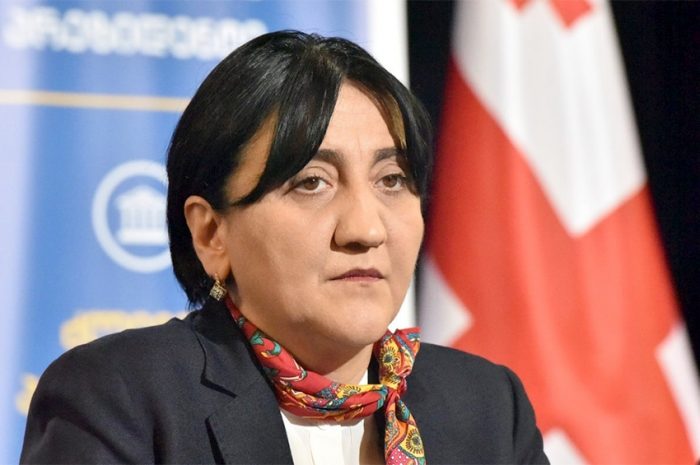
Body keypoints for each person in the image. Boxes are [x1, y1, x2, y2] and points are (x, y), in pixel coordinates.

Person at [21, 30, 549, 464]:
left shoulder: (487, 408)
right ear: (211, 234)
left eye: (391, 180)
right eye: (311, 183)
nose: (366, 230)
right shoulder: (122, 398)